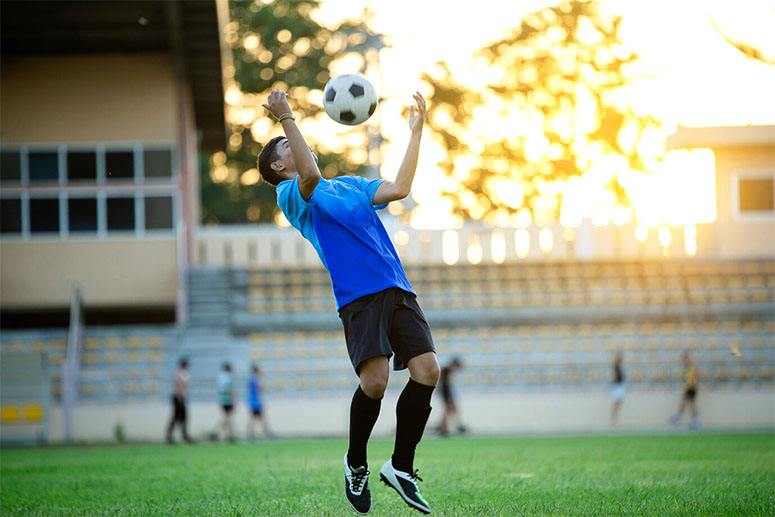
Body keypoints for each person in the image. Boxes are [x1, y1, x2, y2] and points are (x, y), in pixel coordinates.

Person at [259, 88, 437, 514]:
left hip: (397, 287)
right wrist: (286, 119)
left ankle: (401, 468)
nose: (293, 143)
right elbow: (311, 177)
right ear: (278, 166)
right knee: (375, 384)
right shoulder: (291, 196)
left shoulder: (353, 185)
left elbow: (399, 188)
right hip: (358, 298)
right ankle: (355, 462)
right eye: (286, 146)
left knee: (428, 371)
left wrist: (416, 132)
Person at [166, 357, 193, 444]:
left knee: (182, 417)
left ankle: (183, 435)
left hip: (180, 397)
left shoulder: (183, 373)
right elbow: (178, 385)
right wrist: (180, 397)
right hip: (178, 397)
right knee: (177, 417)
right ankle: (173, 436)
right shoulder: (181, 373)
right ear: (184, 365)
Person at [671, 351, 700, 430]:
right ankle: (693, 421)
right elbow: (686, 379)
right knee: (688, 404)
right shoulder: (687, 368)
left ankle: (681, 418)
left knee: (689, 404)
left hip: (691, 388)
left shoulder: (691, 367)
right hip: (689, 387)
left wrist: (690, 386)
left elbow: (694, 377)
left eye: (684, 359)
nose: (683, 361)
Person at [437, 357, 466, 436]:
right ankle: (443, 428)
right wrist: (449, 398)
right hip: (446, 394)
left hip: (446, 393)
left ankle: (443, 427)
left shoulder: (446, 371)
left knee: (449, 410)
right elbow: (446, 386)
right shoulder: (447, 371)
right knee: (448, 410)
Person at [246, 364, 273, 440]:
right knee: (260, 418)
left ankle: (251, 433)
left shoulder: (250, 379)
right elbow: (261, 388)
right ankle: (267, 433)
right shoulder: (255, 379)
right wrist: (263, 379)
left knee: (255, 418)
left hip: (252, 401)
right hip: (256, 401)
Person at [217, 362, 235, 442]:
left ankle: (227, 434)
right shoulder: (228, 378)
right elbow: (229, 390)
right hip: (228, 399)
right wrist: (233, 400)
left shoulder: (220, 377)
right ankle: (220, 432)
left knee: (226, 416)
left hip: (222, 398)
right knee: (227, 417)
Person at [610, 351, 626, 427]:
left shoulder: (620, 366)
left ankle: (615, 418)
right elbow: (614, 376)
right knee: (617, 403)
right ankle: (614, 419)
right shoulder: (615, 366)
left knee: (619, 403)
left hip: (620, 386)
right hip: (617, 386)